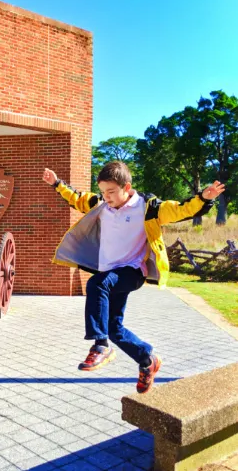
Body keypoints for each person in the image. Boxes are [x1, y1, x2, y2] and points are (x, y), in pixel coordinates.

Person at [43, 161, 225, 393]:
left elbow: (182, 209)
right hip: (109, 273)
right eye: (103, 192)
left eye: (111, 192)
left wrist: (204, 197)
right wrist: (56, 183)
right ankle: (147, 360)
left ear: (126, 187)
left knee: (96, 284)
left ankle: (100, 346)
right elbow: (76, 198)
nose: (106, 197)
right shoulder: (100, 205)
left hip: (132, 271)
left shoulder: (148, 207)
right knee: (114, 328)